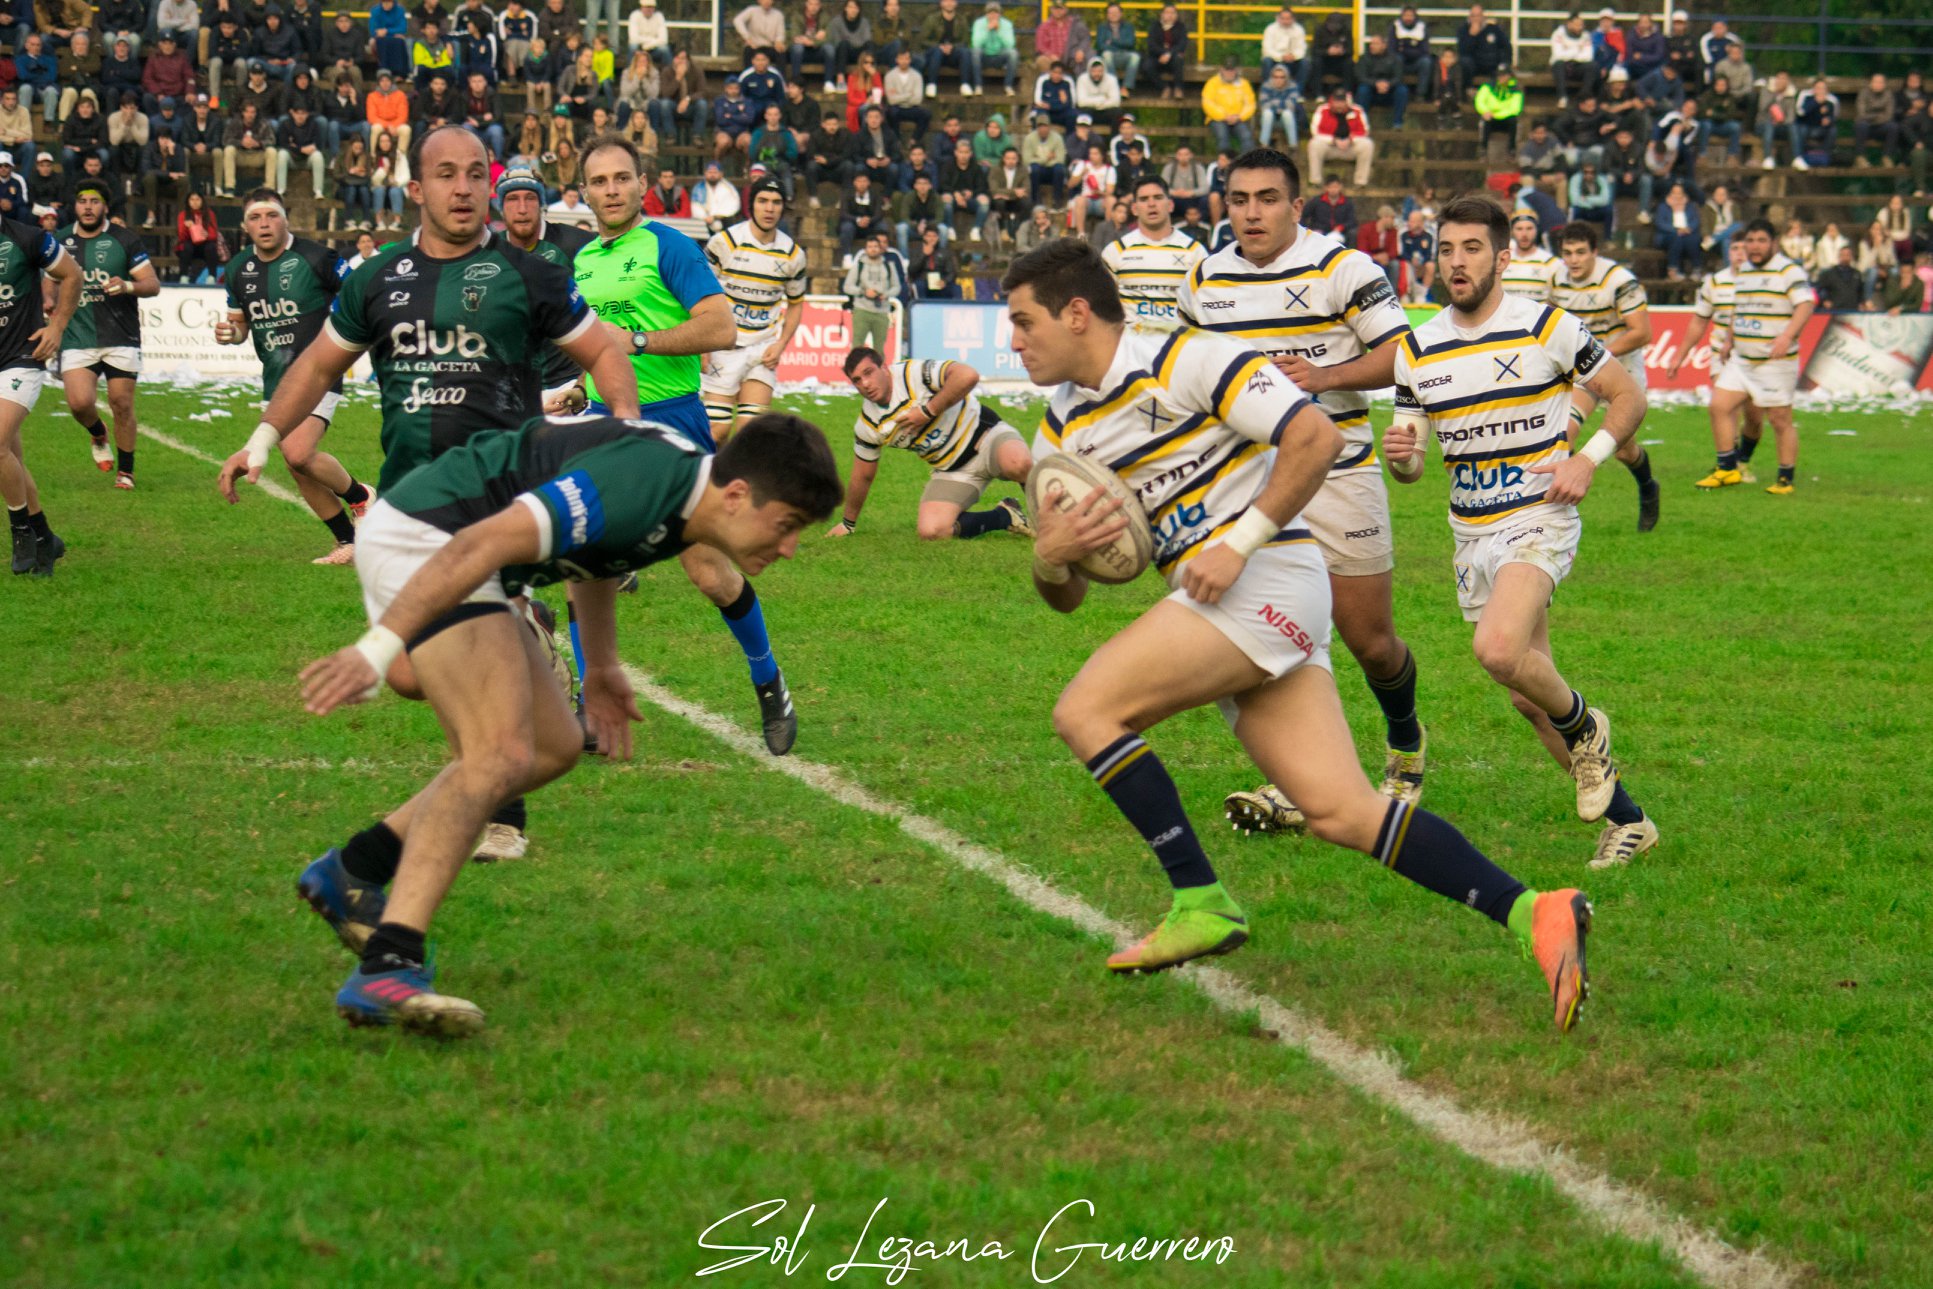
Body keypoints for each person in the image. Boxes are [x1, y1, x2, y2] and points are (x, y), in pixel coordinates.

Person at [1005, 238, 1595, 1031]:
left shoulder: (1188, 357)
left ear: (1076, 312)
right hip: (1231, 601)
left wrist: (1237, 541)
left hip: (1264, 580)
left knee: (1085, 711)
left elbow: (1312, 435)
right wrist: (1051, 559)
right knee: (1341, 811)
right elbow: (1068, 595)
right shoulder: (1057, 440)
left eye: (1023, 320)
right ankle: (1536, 912)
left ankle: (1199, 898)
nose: (1014, 340)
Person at [293, 412, 841, 1034]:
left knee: (553, 747)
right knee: (497, 753)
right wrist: (377, 647)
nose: (791, 547)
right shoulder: (642, 480)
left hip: (470, 553)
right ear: (739, 495)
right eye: (788, 525)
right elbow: (483, 544)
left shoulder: (683, 499)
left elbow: (600, 553)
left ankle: (354, 870)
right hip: (432, 538)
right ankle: (390, 963)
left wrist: (602, 664)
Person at [218, 127, 637, 861]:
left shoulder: (529, 276)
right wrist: (259, 442)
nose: (466, 188)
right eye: (447, 174)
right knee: (415, 670)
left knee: (465, 653)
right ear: (416, 189)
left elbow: (601, 348)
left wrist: (627, 428)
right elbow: (318, 366)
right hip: (408, 502)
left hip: (495, 493)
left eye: (477, 174)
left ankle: (501, 811)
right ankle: (527, 642)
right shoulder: (376, 279)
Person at [1386, 194, 1654, 872]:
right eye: (1446, 249)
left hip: (1538, 518)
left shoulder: (1547, 326)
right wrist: (1404, 457)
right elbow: (1414, 464)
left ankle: (1586, 724)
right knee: (1523, 696)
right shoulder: (1414, 349)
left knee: (1498, 649)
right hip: (1468, 533)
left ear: (1502, 257)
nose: (1456, 261)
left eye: (1471, 248)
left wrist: (1585, 461)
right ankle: (1629, 821)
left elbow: (1628, 396)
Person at [1177, 147, 1428, 834]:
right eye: (1237, 199)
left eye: (1265, 198)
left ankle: (1405, 738)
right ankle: (1299, 779)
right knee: (1272, 632)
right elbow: (1185, 368)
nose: (1250, 212)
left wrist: (1320, 376)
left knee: (1368, 639)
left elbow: (1403, 352)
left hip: (1339, 470)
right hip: (1246, 484)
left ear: (1296, 204)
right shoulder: (1201, 276)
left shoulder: (1340, 267)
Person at [571, 133, 803, 753]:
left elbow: (722, 325)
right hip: (602, 422)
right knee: (583, 561)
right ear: (584, 193)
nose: (612, 190)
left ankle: (769, 681)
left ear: (641, 184)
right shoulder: (583, 260)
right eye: (599, 181)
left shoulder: (670, 246)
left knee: (706, 570)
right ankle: (586, 704)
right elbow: (590, 340)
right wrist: (578, 385)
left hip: (673, 422)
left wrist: (638, 343)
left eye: (622, 178)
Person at [213, 190, 376, 567]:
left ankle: (360, 497)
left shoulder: (316, 257)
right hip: (276, 380)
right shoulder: (238, 269)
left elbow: (358, 292)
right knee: (295, 464)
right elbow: (240, 325)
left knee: (297, 451)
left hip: (318, 372)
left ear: (286, 219)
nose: (264, 223)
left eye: (272, 215)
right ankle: (347, 541)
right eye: (256, 217)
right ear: (245, 226)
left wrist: (338, 328)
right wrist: (231, 334)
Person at [830, 347, 1031, 541]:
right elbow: (862, 476)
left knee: (1019, 463)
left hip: (986, 438)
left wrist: (928, 411)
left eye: (869, 372)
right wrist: (848, 524)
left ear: (884, 367)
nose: (866, 383)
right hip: (952, 469)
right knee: (932, 531)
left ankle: (1049, 523)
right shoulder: (868, 425)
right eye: (857, 380)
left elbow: (968, 375)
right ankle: (1005, 515)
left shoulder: (914, 374)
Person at [1548, 220, 1659, 531]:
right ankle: (1555, 520)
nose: (1574, 260)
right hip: (1583, 371)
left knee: (1624, 449)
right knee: (1564, 433)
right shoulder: (1556, 278)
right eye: (1568, 253)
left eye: (1581, 252)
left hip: (1622, 368)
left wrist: (1597, 355)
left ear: (1595, 252)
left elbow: (1642, 332)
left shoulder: (1620, 280)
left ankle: (1649, 486)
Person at [1697, 218, 1815, 495]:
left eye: (1761, 241)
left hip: (1774, 361)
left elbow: (1806, 304)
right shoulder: (1746, 271)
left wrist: (1787, 336)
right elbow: (1741, 308)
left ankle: (1785, 478)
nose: (1755, 246)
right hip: (1742, 358)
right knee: (1719, 406)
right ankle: (1727, 468)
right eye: (1751, 241)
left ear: (1774, 243)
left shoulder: (1788, 270)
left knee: (1779, 418)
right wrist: (1728, 340)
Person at [59, 180, 159, 491]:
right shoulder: (60, 240)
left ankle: (126, 472)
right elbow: (50, 280)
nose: (88, 206)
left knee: (121, 402)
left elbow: (152, 284)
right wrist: (49, 303)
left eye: (94, 201)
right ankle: (97, 431)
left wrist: (128, 285)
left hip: (121, 333)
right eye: (82, 200)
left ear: (105, 207)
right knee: (78, 403)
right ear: (75, 206)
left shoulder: (125, 240)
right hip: (78, 335)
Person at [0, 208, 81, 576]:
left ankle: (20, 532)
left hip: (23, 356)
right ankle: (45, 537)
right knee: (9, 457)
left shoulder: (26, 237)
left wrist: (58, 326)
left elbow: (72, 274)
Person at [699, 178, 808, 440]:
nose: (769, 208)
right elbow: (699, 293)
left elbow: (796, 303)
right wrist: (701, 345)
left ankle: (740, 482)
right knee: (718, 431)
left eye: (776, 202)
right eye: (763, 201)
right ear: (751, 205)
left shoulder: (793, 255)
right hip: (722, 349)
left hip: (762, 349)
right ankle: (711, 479)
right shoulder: (724, 243)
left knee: (752, 435)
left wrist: (781, 344)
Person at [496, 165, 598, 415]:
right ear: (501, 207)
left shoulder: (577, 243)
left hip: (567, 385)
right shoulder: (488, 253)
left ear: (541, 203)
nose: (522, 208)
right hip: (510, 388)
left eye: (530, 198)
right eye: (512, 199)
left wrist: (582, 384)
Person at [1101, 175, 1205, 325]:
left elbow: (1204, 306)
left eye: (1157, 197)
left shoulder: (1195, 252)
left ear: (1170, 205)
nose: (1151, 204)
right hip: (1133, 344)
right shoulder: (1115, 252)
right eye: (1144, 199)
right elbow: (1103, 307)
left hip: (1179, 343)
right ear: (1134, 209)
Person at [843, 235, 901, 351]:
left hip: (882, 311)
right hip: (862, 310)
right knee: (857, 347)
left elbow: (897, 287)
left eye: (876, 246)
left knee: (879, 349)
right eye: (870, 247)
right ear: (865, 249)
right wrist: (863, 292)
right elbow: (847, 287)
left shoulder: (888, 266)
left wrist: (886, 294)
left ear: (881, 249)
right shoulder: (859, 265)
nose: (873, 249)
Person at [1306, 87, 1371, 186]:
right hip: (1329, 147)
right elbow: (1315, 131)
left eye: (1342, 101)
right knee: (1314, 144)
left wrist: (1350, 139)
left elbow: (1365, 131)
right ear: (1332, 101)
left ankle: (1361, 182)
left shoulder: (1357, 110)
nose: (1339, 104)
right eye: (1337, 101)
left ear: (1347, 101)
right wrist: (1333, 140)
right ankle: (1315, 181)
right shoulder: (1323, 110)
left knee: (1367, 144)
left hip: (1350, 148)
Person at [1202, 58, 1256, 154]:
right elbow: (1207, 103)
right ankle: (1225, 166)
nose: (1229, 73)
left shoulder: (1244, 84)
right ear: (1221, 70)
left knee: (1247, 136)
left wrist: (1240, 116)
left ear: (1236, 70)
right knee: (1223, 136)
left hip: (1239, 119)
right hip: (1217, 119)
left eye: (1232, 70)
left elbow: (1250, 104)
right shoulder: (1212, 83)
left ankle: (1245, 165)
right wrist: (1224, 116)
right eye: (1227, 70)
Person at [1499, 209, 1554, 300]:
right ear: (1512, 231)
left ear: (1537, 230)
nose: (1524, 234)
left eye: (1529, 228)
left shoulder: (1551, 262)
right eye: (1519, 229)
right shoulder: (1502, 260)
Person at [971, 1, 1019, 98]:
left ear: (1000, 14)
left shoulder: (1007, 24)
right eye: (990, 13)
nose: (993, 15)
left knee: (1013, 53)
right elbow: (975, 43)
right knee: (975, 52)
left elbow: (1010, 44)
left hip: (999, 57)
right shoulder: (979, 23)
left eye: (995, 13)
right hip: (984, 56)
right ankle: (978, 86)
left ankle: (1008, 86)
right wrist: (987, 29)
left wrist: (999, 31)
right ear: (986, 14)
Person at [1093, 2, 1138, 96]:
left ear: (1121, 13)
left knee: (1135, 57)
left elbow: (1130, 44)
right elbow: (1100, 45)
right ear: (1107, 15)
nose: (1113, 15)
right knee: (1106, 54)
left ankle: (1125, 87)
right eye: (1110, 12)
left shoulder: (1128, 27)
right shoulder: (1102, 27)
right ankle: (1115, 86)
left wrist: (1112, 41)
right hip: (1110, 56)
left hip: (1124, 55)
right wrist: (1120, 45)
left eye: (1116, 12)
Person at [1147, 4, 1189, 100]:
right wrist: (1162, 53)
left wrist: (1169, 54)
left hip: (1173, 57)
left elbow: (1182, 44)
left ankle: (1178, 89)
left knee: (1179, 59)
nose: (1170, 15)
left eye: (1173, 13)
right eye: (1167, 13)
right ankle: (1164, 87)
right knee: (1147, 66)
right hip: (1157, 57)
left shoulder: (1181, 27)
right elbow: (1151, 44)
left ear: (1177, 15)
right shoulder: (1154, 26)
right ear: (1161, 14)